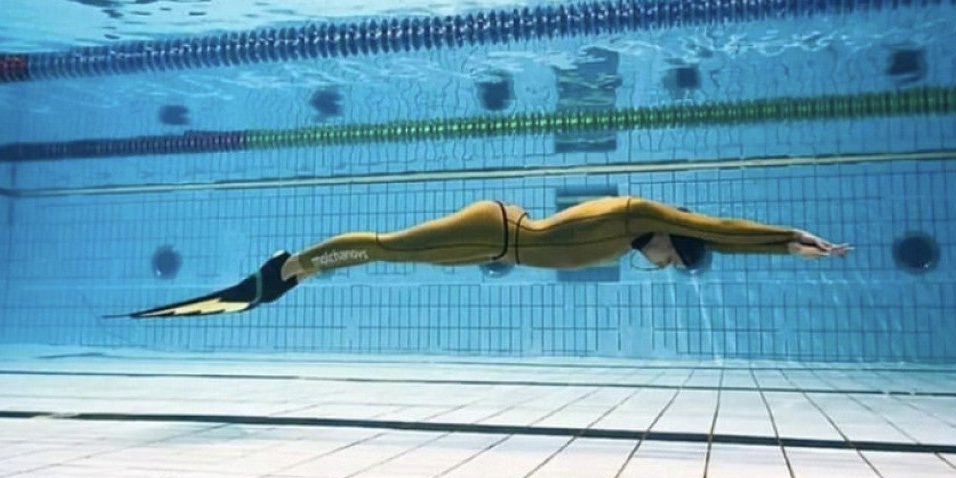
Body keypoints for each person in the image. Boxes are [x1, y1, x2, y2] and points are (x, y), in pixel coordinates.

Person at [113, 195, 850, 318]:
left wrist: (784, 249)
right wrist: (787, 238)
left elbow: (708, 234)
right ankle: (285, 268)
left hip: (496, 237)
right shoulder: (639, 215)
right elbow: (713, 224)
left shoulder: (633, 233)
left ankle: (290, 270)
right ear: (670, 242)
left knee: (386, 252)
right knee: (384, 249)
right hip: (493, 232)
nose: (667, 265)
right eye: (676, 260)